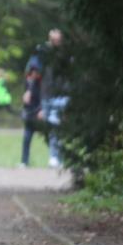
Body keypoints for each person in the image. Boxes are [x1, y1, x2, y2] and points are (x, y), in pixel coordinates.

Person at [37, 29, 70, 168]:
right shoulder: (43, 53)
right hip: (46, 93)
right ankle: (55, 156)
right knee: (50, 126)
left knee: (56, 125)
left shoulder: (65, 55)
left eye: (58, 39)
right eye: (53, 39)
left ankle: (55, 156)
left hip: (61, 94)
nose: (56, 42)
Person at [19, 58, 42, 168]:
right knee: (27, 138)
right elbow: (26, 100)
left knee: (52, 137)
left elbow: (44, 97)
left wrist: (42, 109)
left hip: (40, 112)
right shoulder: (28, 82)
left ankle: (55, 159)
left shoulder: (42, 83)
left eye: (35, 72)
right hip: (29, 114)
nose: (33, 74)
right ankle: (24, 161)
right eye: (31, 72)